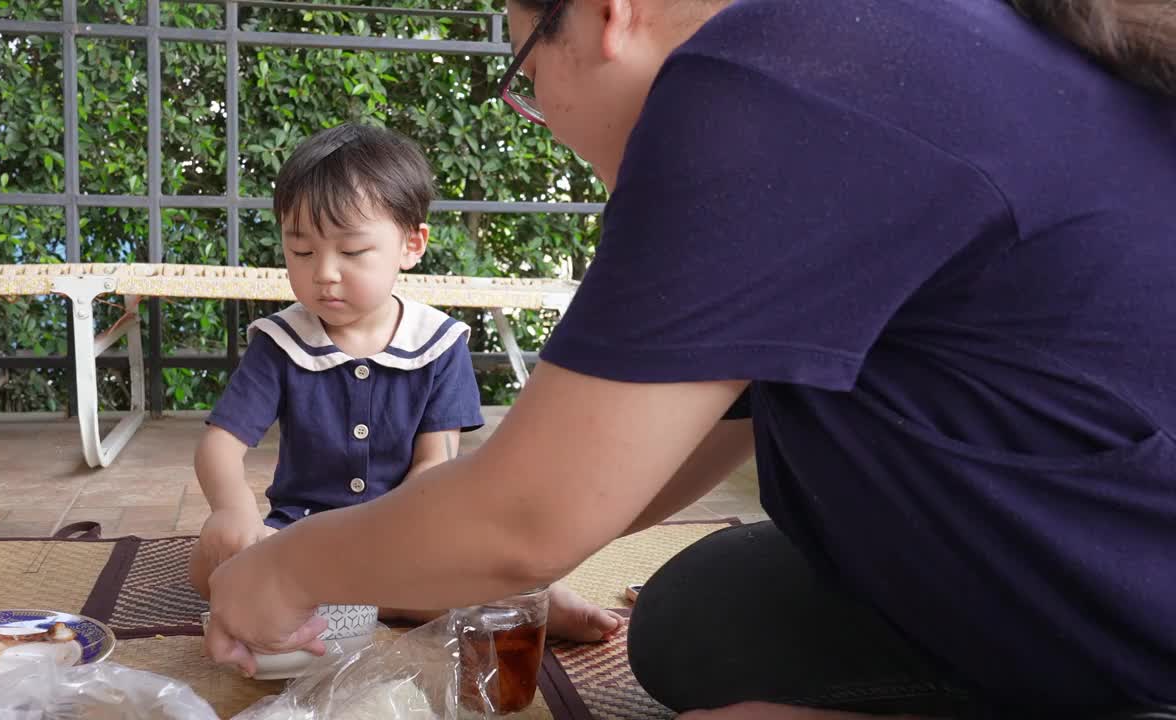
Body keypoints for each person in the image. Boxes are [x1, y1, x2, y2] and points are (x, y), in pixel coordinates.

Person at [202, 1, 1176, 717]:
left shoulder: (755, 89)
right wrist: (450, 562)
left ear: (608, 15)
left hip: (1130, 581)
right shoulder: (851, 39)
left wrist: (281, 573)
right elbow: (648, 461)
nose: (533, 107)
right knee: (697, 622)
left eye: (526, 73)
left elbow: (525, 515)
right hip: (1097, 528)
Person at [187, 122, 621, 642]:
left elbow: (434, 468)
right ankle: (394, 603)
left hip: (404, 534)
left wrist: (386, 547)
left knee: (464, 565)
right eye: (301, 252)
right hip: (298, 535)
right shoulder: (280, 341)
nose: (324, 272)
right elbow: (219, 444)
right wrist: (233, 511)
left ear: (411, 245)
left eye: (350, 252)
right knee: (211, 559)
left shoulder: (438, 344)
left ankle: (529, 602)